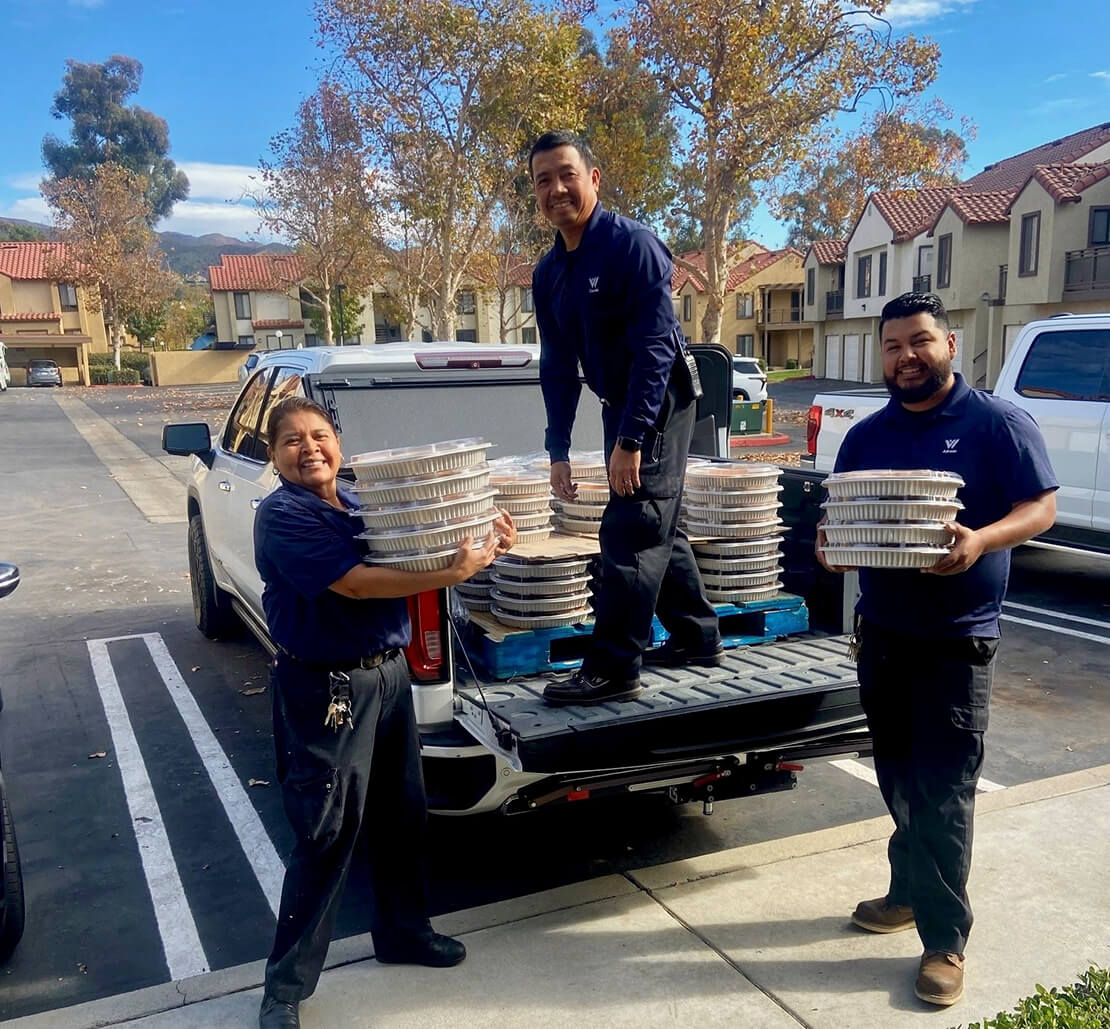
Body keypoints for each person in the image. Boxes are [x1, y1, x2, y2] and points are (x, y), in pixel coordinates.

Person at [816, 293, 1057, 1008]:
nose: (906, 357)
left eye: (920, 341)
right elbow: (840, 517)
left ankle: (944, 938)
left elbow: (1040, 504)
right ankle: (905, 892)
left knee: (944, 789)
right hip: (883, 632)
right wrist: (831, 548)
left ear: (949, 342)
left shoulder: (995, 423)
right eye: (892, 346)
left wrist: (982, 539)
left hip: (959, 638)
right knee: (896, 776)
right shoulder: (866, 436)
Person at [253, 396, 516, 1029]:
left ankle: (403, 933)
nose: (310, 448)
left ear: (337, 443)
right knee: (326, 831)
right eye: (293, 440)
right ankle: (284, 989)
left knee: (402, 815)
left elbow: (420, 553)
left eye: (320, 435)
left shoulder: (359, 500)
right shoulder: (283, 515)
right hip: (327, 690)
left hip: (389, 675)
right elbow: (355, 582)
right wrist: (449, 573)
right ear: (274, 455)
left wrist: (485, 549)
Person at [529, 129, 722, 707]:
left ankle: (613, 668)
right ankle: (697, 637)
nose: (556, 188)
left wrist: (632, 438)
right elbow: (558, 364)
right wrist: (557, 447)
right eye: (543, 180)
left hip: (658, 397)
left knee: (631, 529)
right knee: (659, 522)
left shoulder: (631, 245)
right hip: (622, 404)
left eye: (567, 174)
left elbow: (656, 350)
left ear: (593, 179)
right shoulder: (549, 272)